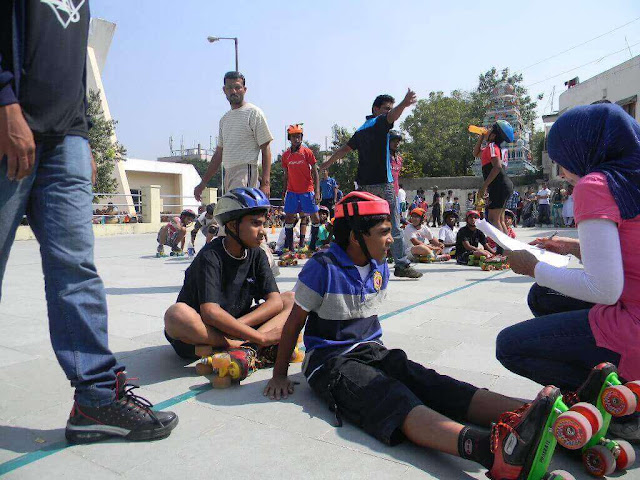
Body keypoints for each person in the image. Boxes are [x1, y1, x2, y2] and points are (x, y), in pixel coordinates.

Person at [263, 192, 568, 480]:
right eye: (383, 232)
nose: (391, 239)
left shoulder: (378, 263)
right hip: (331, 362)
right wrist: (279, 375)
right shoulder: (322, 266)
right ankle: (490, 450)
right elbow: (293, 325)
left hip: (372, 350)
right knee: (391, 397)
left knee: (432, 383)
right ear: (355, 237)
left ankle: (539, 414)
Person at [0, 0, 178, 443]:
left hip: (67, 141)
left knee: (76, 273)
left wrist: (84, 135)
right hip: (6, 123)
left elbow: (71, 67)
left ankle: (96, 400)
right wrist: (4, 102)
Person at [498, 103, 640, 441]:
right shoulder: (630, 177)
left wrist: (533, 267)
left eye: (561, 159)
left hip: (633, 321)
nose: (562, 172)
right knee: (544, 296)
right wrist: (576, 247)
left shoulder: (596, 184)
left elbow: (604, 289)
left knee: (510, 346)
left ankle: (619, 402)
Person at [164, 187, 294, 361]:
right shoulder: (210, 256)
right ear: (233, 225)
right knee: (175, 314)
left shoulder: (257, 254)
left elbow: (275, 302)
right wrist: (262, 337)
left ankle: (247, 346)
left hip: (237, 325)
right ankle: (249, 345)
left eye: (263, 223)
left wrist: (238, 327)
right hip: (204, 330)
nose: (262, 231)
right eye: (255, 223)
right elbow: (210, 312)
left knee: (291, 299)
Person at [320, 91, 422, 278]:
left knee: (365, 226)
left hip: (364, 186)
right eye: (385, 109)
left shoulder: (362, 129)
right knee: (393, 225)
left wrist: (328, 163)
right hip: (383, 184)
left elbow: (344, 149)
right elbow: (392, 116)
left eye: (389, 109)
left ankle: (365, 261)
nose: (388, 113)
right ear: (376, 109)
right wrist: (404, 104)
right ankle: (400, 265)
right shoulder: (381, 123)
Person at [194, 71, 273, 200]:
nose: (234, 91)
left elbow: (266, 148)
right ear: (224, 90)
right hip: (229, 172)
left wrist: (265, 183)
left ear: (244, 89)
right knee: (234, 215)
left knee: (238, 213)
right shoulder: (224, 119)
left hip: (245, 171)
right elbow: (218, 154)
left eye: (237, 87)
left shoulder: (254, 113)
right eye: (230, 88)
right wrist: (203, 183)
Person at [281, 124, 322, 251]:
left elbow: (315, 172)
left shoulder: (307, 152)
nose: (296, 139)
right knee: (289, 218)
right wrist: (284, 193)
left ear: (301, 138)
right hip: (292, 192)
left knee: (315, 218)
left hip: (307, 191)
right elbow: (286, 175)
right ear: (289, 138)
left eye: (298, 137)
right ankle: (290, 248)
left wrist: (317, 192)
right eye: (293, 137)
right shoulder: (286, 155)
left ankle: (312, 245)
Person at [473, 121, 515, 235]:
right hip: (501, 186)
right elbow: (476, 153)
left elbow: (497, 167)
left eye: (490, 129)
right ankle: (505, 249)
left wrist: (484, 186)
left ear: (493, 135)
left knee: (493, 219)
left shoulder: (492, 146)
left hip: (499, 185)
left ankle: (502, 249)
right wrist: (481, 137)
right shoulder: (489, 147)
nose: (487, 129)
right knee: (499, 220)